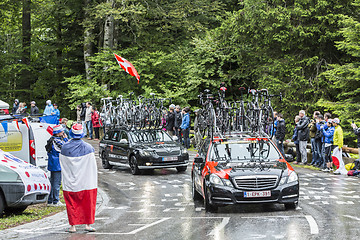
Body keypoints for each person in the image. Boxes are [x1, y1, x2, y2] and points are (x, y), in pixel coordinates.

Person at [60, 124, 98, 233]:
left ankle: (73, 226)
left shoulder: (65, 147)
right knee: (88, 202)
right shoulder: (89, 148)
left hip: (70, 182)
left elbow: (63, 163)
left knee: (72, 203)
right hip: (86, 182)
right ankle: (88, 225)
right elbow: (92, 166)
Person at [47, 125, 68, 206]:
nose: (63, 132)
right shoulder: (57, 141)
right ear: (58, 133)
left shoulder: (52, 139)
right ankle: (56, 200)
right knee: (57, 183)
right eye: (62, 131)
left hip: (53, 163)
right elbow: (67, 146)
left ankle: (50, 200)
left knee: (52, 182)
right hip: (57, 164)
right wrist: (65, 138)